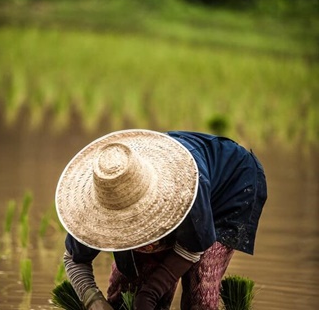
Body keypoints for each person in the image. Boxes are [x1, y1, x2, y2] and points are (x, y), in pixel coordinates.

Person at [55, 129, 267, 310]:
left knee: (199, 291)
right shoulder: (92, 212)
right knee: (126, 294)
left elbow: (194, 246)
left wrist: (151, 292)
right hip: (185, 184)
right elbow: (74, 260)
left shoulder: (184, 190)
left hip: (228, 187)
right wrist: (94, 301)